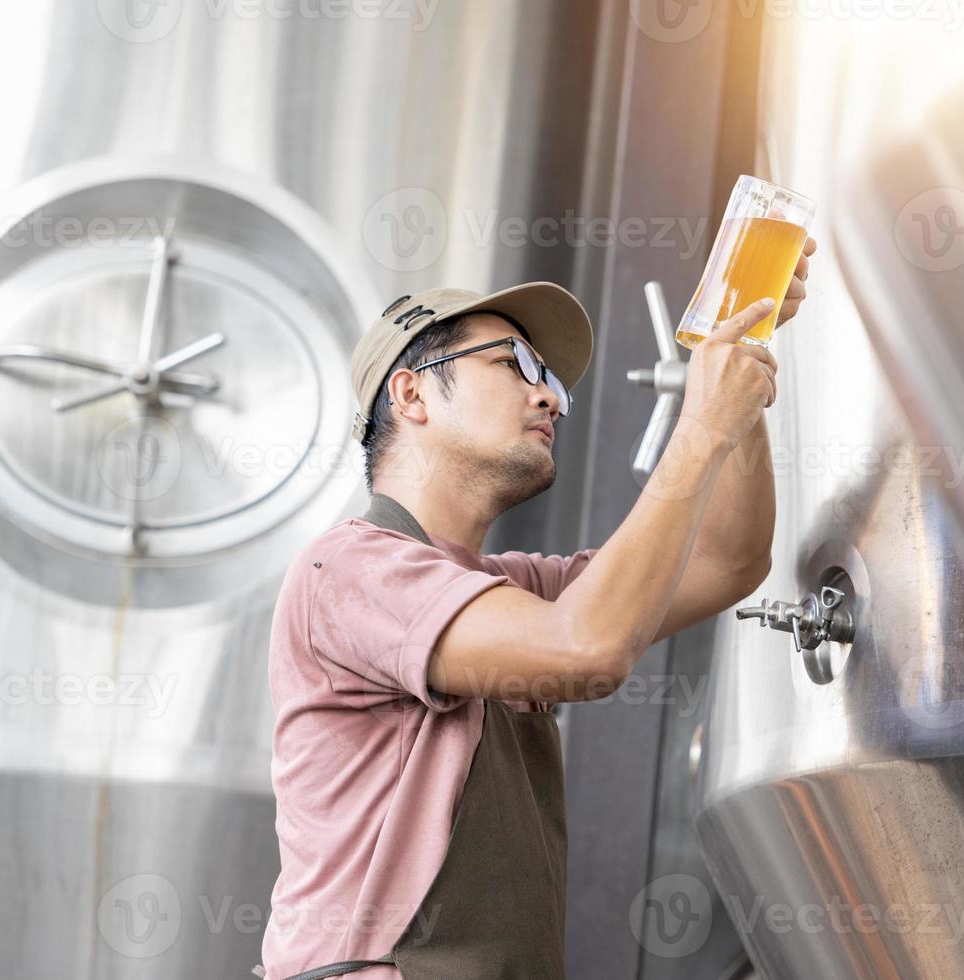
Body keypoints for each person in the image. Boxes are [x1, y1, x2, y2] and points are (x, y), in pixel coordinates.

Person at [260, 248, 814, 979]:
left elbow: (727, 563)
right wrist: (701, 424)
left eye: (549, 378)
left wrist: (738, 366)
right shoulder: (349, 570)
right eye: (514, 363)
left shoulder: (510, 591)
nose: (549, 395)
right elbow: (586, 648)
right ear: (411, 395)